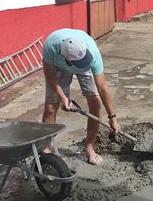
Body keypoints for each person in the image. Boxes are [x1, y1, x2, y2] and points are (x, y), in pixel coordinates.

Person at [42, 28, 120, 165]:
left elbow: (102, 87)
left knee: (95, 102)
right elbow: (49, 74)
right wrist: (62, 97)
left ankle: (90, 148)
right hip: (58, 66)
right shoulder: (50, 47)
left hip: (83, 61)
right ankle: (46, 150)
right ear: (66, 58)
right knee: (50, 107)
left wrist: (112, 117)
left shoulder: (92, 55)